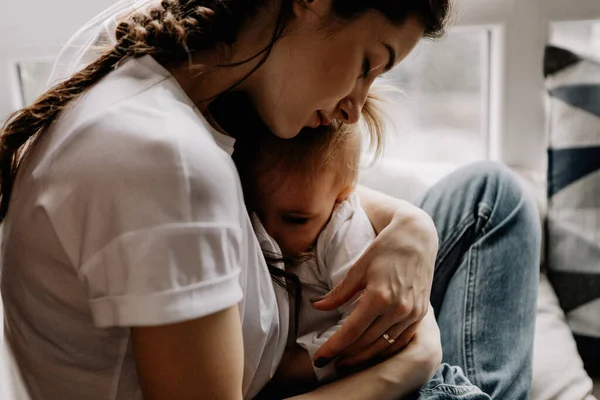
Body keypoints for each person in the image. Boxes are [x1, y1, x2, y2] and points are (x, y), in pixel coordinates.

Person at [0, 0, 540, 399]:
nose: (356, 108)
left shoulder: (167, 81)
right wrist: (413, 361)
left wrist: (411, 226)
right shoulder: (169, 163)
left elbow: (293, 192)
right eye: (368, 64)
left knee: (488, 197)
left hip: (300, 343)